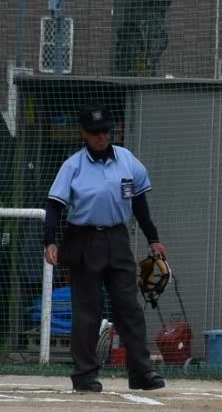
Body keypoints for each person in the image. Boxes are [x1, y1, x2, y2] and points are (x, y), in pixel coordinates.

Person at [42, 107, 167, 393]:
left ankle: (141, 372)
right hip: (83, 239)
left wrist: (153, 238)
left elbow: (140, 204)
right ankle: (85, 375)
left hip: (117, 238)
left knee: (130, 308)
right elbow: (54, 206)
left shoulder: (127, 161)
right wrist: (50, 240)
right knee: (88, 310)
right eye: (95, 132)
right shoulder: (73, 165)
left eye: (106, 131)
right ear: (84, 133)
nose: (102, 137)